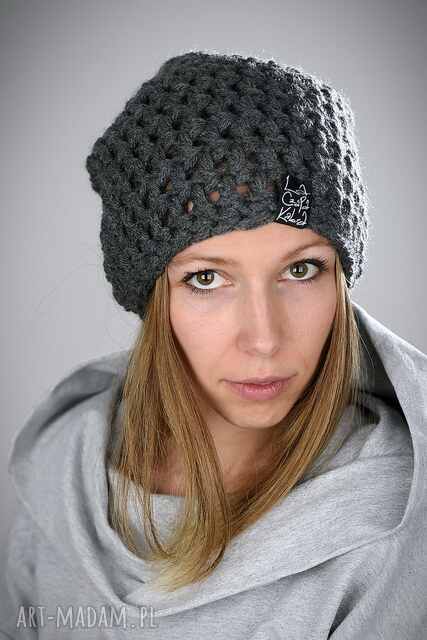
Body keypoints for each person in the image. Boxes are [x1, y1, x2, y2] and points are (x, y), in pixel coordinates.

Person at [1, 50, 426, 639]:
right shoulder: (59, 467)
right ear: (154, 297)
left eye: (301, 270)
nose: (264, 339)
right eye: (206, 278)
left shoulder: (396, 523)